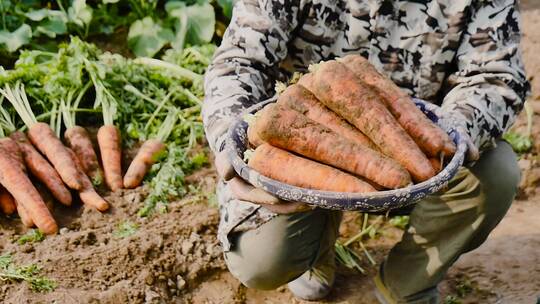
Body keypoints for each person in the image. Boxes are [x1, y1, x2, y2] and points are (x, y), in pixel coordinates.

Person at [202, 0, 530, 302]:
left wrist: (444, 133)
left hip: (419, 163)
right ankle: (315, 250)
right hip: (298, 157)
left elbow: (495, 77)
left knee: (495, 172)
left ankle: (407, 283)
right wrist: (232, 143)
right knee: (261, 261)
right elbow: (238, 63)